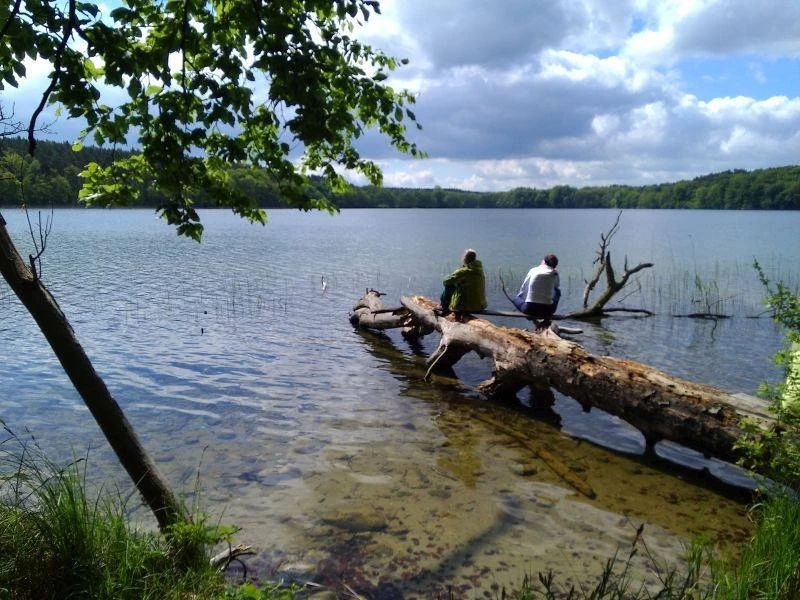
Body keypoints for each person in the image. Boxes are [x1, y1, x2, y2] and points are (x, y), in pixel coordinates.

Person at [513, 253, 561, 327]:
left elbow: (524, 287)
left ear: (544, 261)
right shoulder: (555, 274)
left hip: (529, 309)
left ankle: (530, 316)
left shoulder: (533, 270)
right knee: (557, 291)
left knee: (516, 298)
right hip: (548, 311)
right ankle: (546, 320)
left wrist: (524, 299)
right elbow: (556, 287)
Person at [438, 248, 488, 316]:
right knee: (459, 284)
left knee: (450, 285)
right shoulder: (479, 269)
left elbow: (446, 281)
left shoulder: (465, 271)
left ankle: (444, 307)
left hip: (468, 306)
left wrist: (459, 273)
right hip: (481, 305)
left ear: (465, 258)